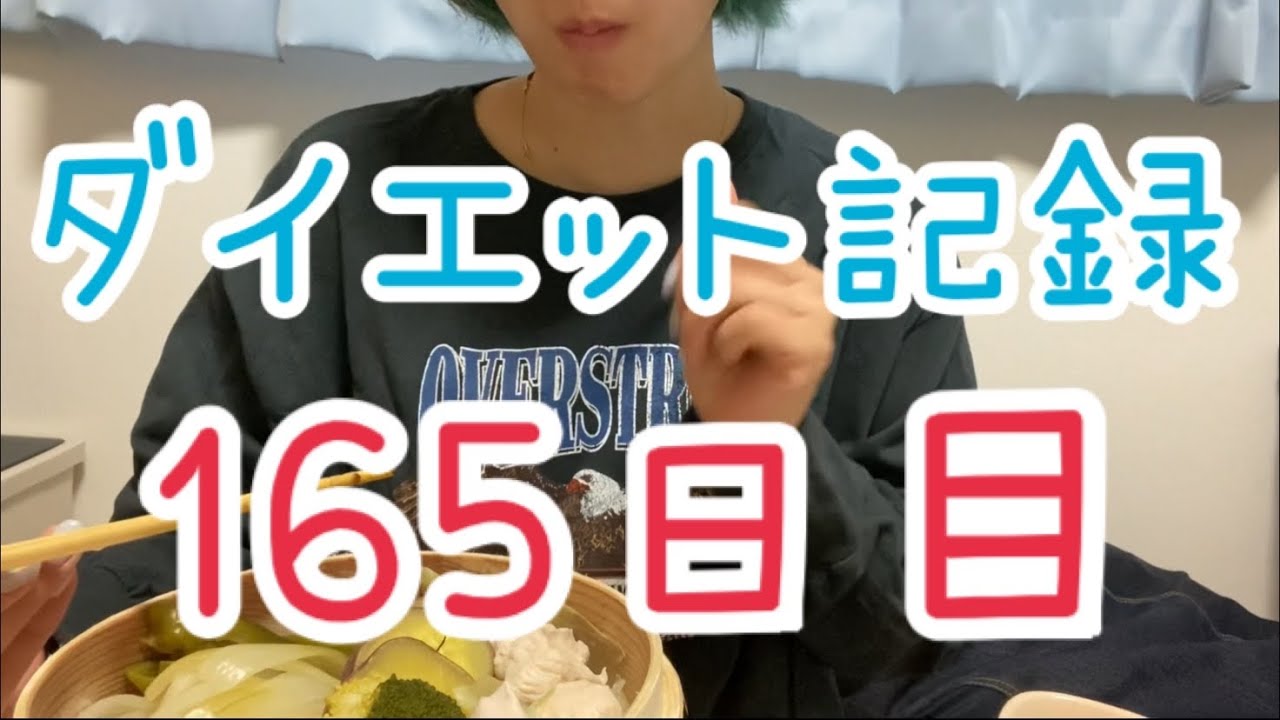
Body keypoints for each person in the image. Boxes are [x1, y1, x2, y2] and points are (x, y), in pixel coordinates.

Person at [2, 0, 1277, 717]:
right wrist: (41, 646)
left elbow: (911, 636)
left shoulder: (854, 210)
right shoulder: (339, 194)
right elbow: (174, 548)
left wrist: (768, 444)